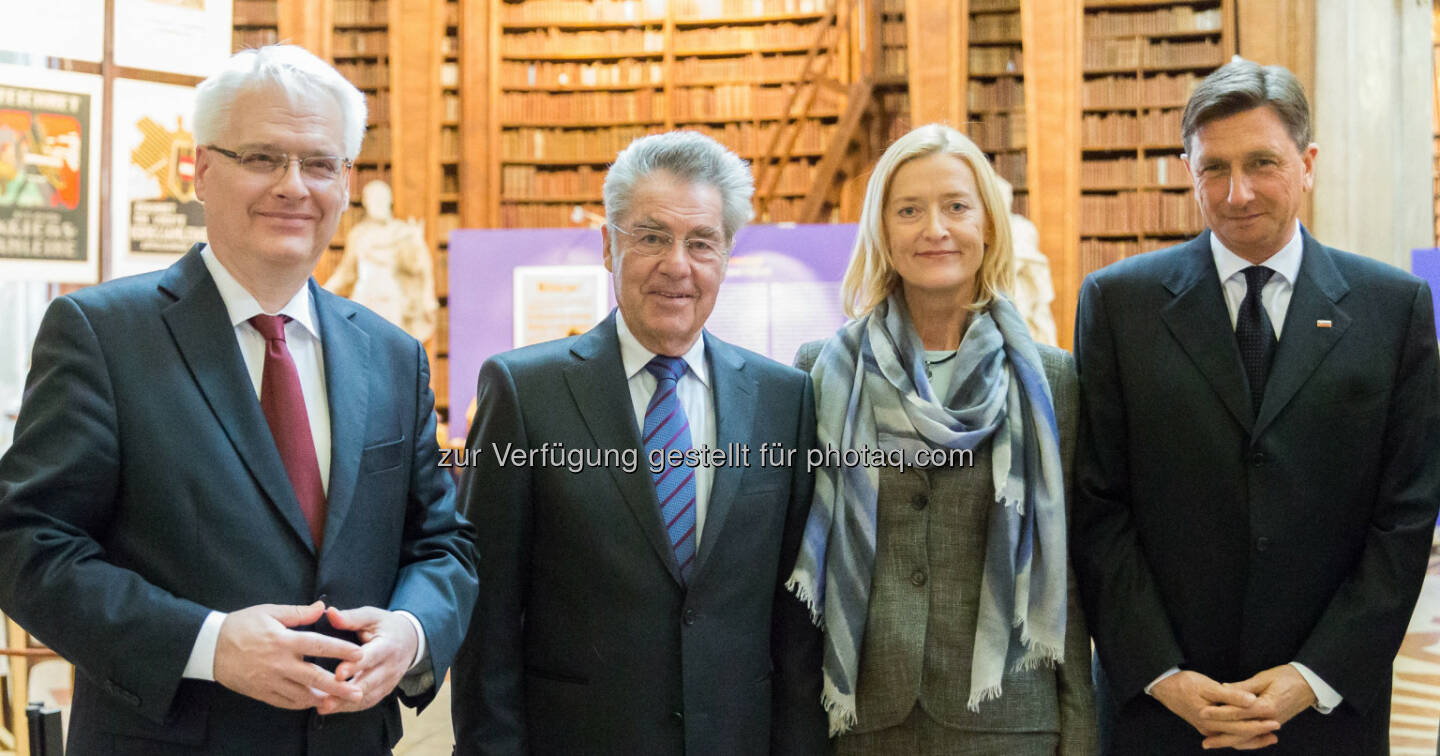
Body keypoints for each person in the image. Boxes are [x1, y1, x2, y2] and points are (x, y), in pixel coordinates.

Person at [0, 45, 478, 755]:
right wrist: (210, 645)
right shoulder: (102, 335)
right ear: (201, 170)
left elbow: (444, 545)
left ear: (346, 182)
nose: (295, 186)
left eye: (320, 163)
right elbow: (26, 546)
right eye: (263, 157)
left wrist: (409, 634)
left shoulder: (393, 354)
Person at [1071, 58, 1440, 755]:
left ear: (1307, 163)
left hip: (1326, 712)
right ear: (1188, 169)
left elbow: (1406, 516)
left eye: (1262, 163)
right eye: (1213, 168)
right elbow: (1097, 505)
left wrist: (1312, 675)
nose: (1237, 193)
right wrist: (1164, 674)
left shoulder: (1394, 311)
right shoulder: (1119, 305)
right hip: (1164, 713)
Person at [450, 130, 828, 755]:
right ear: (607, 246)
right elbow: (488, 620)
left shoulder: (783, 400)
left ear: (726, 255)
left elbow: (795, 625)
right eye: (651, 236)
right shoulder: (523, 392)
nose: (677, 265)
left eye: (701, 241)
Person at [788, 123, 1097, 754]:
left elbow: (1069, 571)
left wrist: (1081, 730)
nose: (935, 228)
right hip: (863, 720)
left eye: (956, 206)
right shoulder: (821, 371)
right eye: (909, 210)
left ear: (987, 224)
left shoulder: (1052, 380)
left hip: (1011, 721)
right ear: (882, 230)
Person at [324, 179, 438, 343]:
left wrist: (417, 244)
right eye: (373, 199)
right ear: (366, 203)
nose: (378, 204)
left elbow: (417, 268)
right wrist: (319, 293)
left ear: (389, 201)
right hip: (364, 299)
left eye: (382, 199)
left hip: (390, 299)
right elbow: (345, 273)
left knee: (390, 350)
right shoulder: (359, 235)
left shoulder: (402, 232)